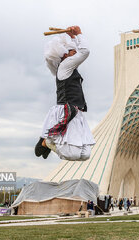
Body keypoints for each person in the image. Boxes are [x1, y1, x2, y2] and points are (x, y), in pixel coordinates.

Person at [35, 26, 95, 161]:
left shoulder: (68, 67)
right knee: (73, 154)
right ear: (65, 55)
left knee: (85, 154)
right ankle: (48, 141)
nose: (76, 54)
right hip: (66, 111)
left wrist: (73, 37)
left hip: (76, 111)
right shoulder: (65, 65)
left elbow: (81, 52)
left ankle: (50, 141)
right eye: (74, 52)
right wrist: (79, 33)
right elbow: (85, 52)